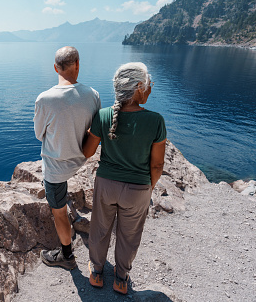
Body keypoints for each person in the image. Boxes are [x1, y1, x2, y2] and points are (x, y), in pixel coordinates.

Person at [82, 62, 166, 294]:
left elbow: (88, 152)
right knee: (130, 235)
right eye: (149, 84)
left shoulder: (104, 115)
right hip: (138, 189)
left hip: (106, 184)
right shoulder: (156, 121)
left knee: (100, 228)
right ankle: (121, 278)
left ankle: (96, 273)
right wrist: (148, 187)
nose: (151, 89)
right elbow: (157, 165)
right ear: (138, 87)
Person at [34, 46, 101, 270]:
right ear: (78, 65)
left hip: (56, 168)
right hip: (82, 159)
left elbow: (38, 134)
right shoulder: (93, 95)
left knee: (59, 212)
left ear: (55, 68)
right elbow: (95, 129)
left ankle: (66, 256)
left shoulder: (45, 99)